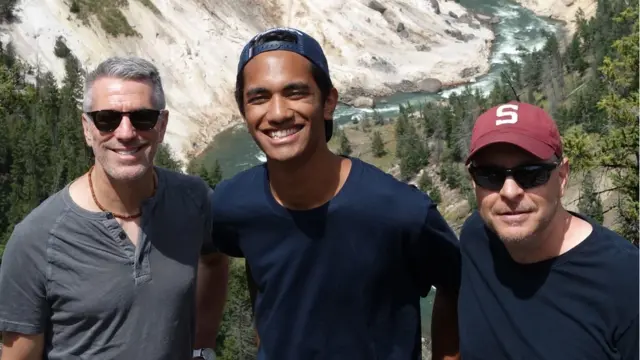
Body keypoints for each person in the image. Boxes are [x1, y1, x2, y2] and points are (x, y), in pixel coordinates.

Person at [209, 27, 461, 359]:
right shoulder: (232, 204)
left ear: (328, 102)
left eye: (295, 92)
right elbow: (236, 262)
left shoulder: (402, 211)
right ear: (243, 111)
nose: (278, 112)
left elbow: (458, 286)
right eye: (259, 98)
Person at [0, 56, 229, 360]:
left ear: (162, 126)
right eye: (107, 119)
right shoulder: (36, 240)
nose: (125, 133)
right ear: (87, 128)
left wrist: (201, 347)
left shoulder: (194, 199)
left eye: (142, 117)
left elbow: (214, 259)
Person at [457, 101, 639, 359]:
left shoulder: (627, 281)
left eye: (531, 174)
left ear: (562, 177)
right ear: (474, 182)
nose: (510, 192)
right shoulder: (476, 238)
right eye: (489, 175)